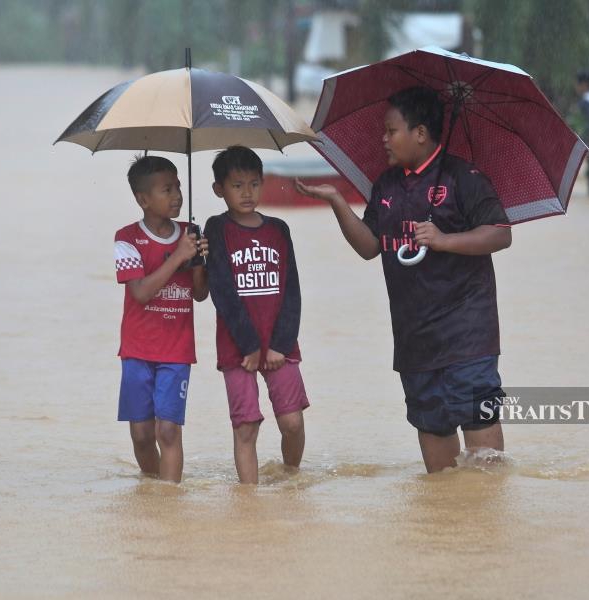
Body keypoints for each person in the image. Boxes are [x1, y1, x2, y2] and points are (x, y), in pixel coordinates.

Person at [295, 86, 510, 474]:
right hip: (415, 341)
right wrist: (337, 201)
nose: (384, 139)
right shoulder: (387, 185)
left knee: (485, 467)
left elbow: (499, 233)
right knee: (439, 468)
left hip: (468, 338)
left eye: (391, 130)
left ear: (421, 134)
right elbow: (369, 246)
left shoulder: (466, 178)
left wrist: (444, 240)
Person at [204, 146, 309, 485]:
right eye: (237, 185)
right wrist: (249, 344)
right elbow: (221, 290)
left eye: (254, 183)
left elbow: (291, 290)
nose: (247, 193)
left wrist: (280, 343)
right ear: (219, 189)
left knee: (292, 423)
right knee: (246, 425)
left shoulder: (279, 229)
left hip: (280, 344)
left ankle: (291, 478)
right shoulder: (216, 228)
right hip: (238, 348)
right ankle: (249, 502)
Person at [113, 155, 209, 482]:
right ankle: (153, 492)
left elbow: (199, 294)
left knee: (167, 431)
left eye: (179, 186)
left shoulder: (190, 233)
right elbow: (140, 292)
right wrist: (179, 256)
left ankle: (170, 504)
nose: (177, 195)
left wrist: (197, 260)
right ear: (143, 200)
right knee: (141, 434)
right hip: (137, 349)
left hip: (176, 351)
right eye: (167, 189)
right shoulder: (126, 238)